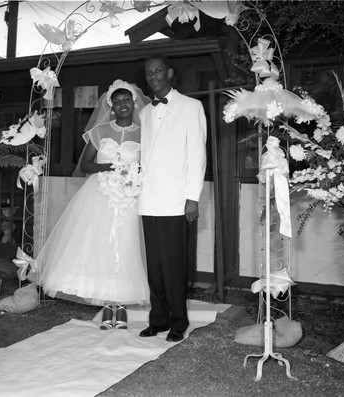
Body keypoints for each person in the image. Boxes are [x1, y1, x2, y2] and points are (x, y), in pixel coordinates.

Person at [36, 79, 150, 330]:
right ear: (110, 106)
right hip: (99, 194)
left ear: (134, 103)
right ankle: (107, 305)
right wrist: (107, 167)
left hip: (129, 197)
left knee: (125, 245)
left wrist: (133, 174)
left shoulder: (145, 133)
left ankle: (120, 305)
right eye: (117, 101)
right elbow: (84, 165)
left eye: (126, 100)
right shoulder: (99, 132)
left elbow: (150, 165)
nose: (122, 104)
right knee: (100, 247)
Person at [138, 54, 207, 342]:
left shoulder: (192, 107)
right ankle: (159, 319)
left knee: (174, 265)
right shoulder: (144, 113)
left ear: (169, 73)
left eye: (157, 71)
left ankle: (178, 322)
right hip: (148, 199)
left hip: (176, 200)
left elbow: (197, 154)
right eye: (148, 72)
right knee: (154, 265)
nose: (153, 75)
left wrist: (192, 197)